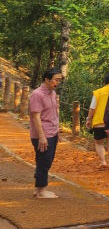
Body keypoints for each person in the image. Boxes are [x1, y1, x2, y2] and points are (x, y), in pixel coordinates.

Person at [28, 67, 63, 198]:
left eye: (59, 80)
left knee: (44, 161)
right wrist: (42, 137)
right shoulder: (37, 95)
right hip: (42, 134)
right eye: (56, 80)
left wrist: (57, 130)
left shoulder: (52, 93)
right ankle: (41, 191)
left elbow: (53, 113)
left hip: (52, 132)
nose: (58, 82)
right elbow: (36, 117)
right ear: (47, 79)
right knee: (45, 161)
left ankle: (38, 189)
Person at [85, 72, 109, 168]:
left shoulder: (98, 92)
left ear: (105, 81)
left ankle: (103, 161)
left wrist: (88, 119)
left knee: (99, 143)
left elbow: (92, 108)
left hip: (99, 121)